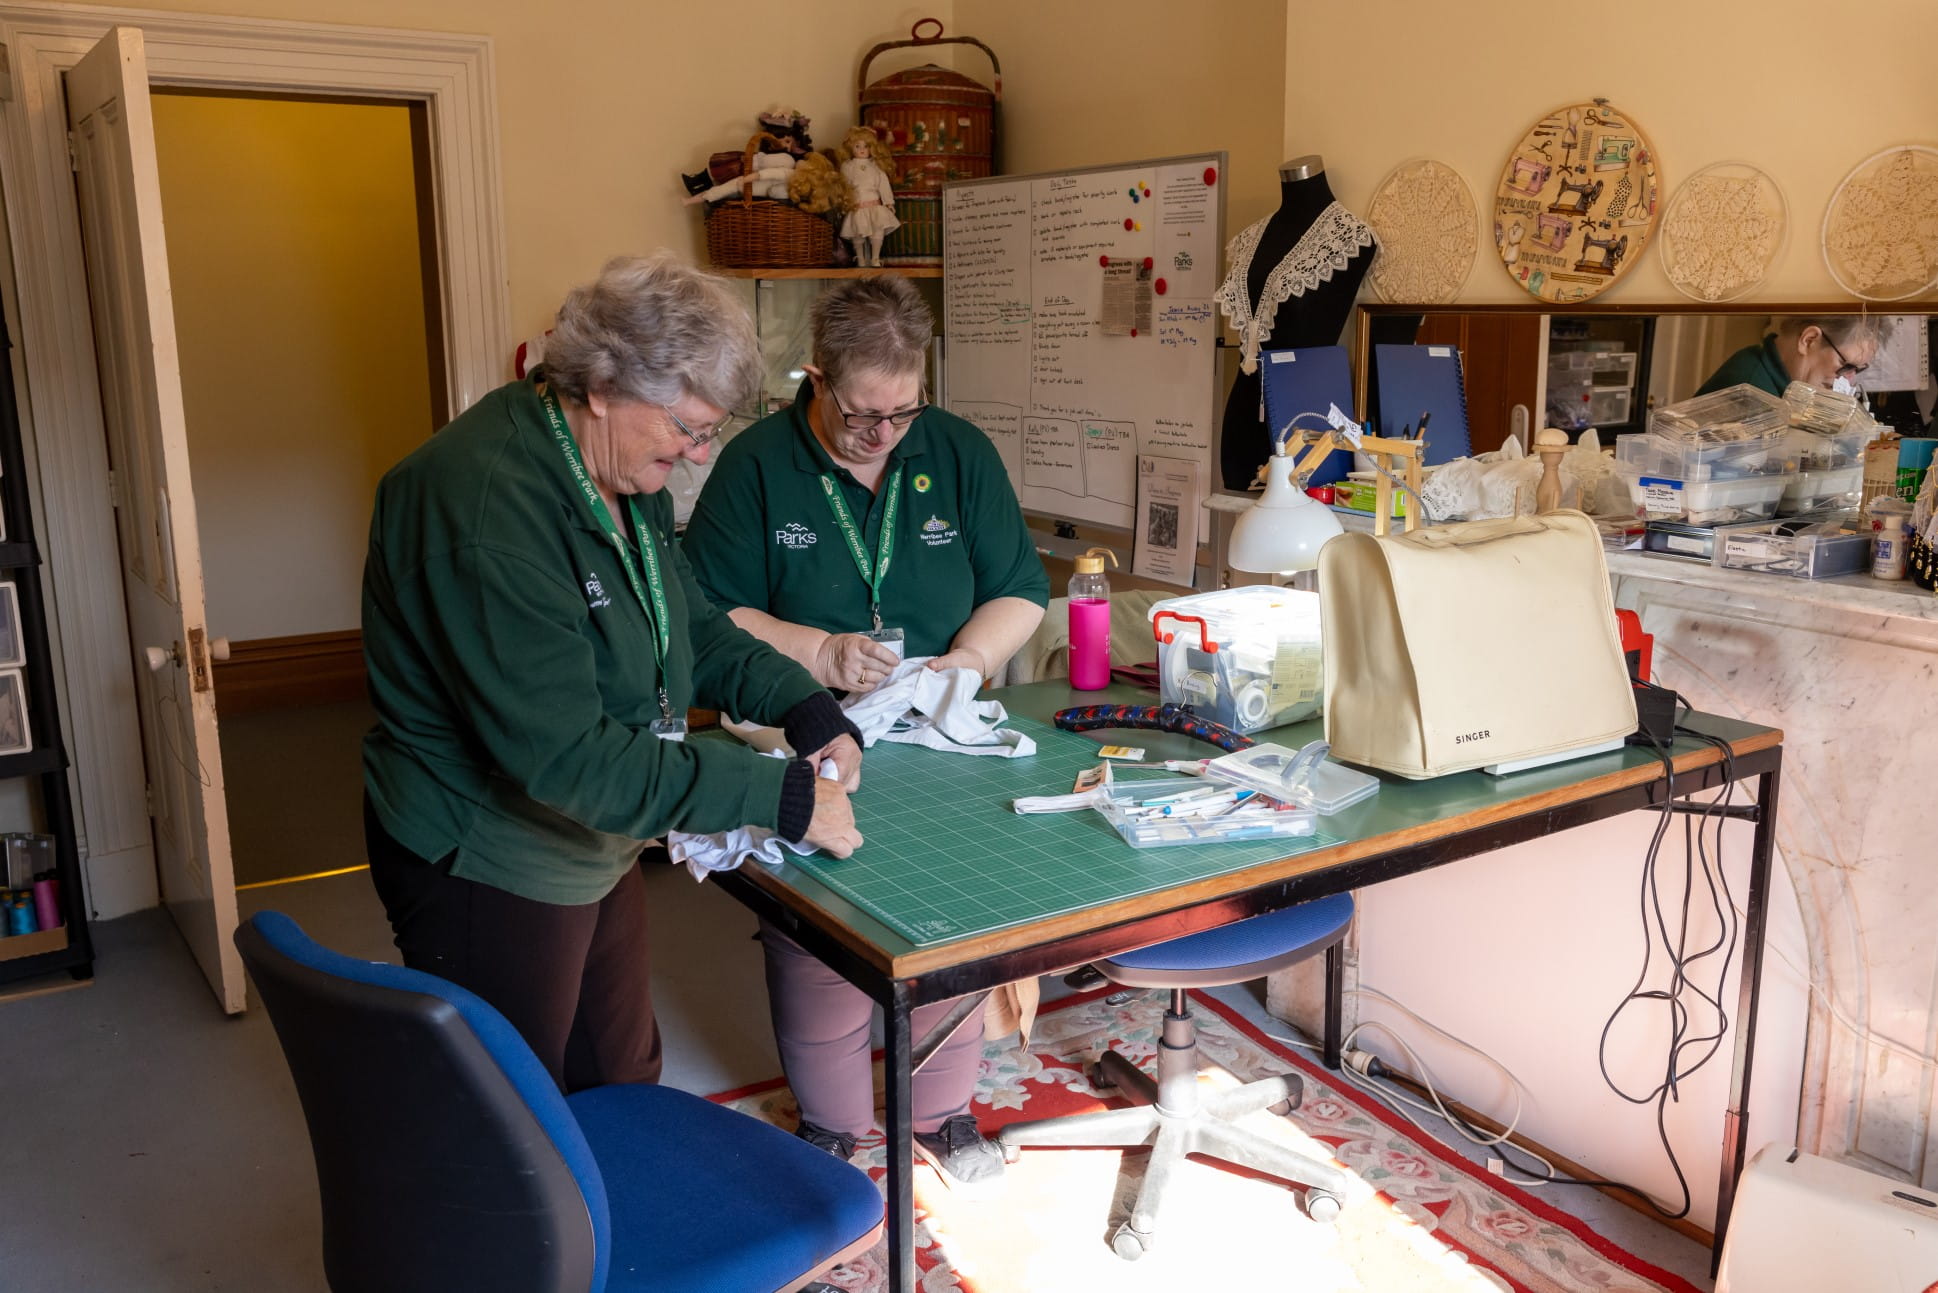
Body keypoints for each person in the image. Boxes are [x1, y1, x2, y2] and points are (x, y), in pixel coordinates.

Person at [361, 253, 864, 1095]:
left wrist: (804, 704)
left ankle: (614, 1184)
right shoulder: (483, 507)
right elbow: (567, 756)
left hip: (596, 829)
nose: (698, 454)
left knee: (622, 1078)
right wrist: (774, 793)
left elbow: (689, 625)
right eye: (687, 428)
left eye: (711, 431)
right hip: (489, 850)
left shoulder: (622, 471)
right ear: (600, 385)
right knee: (515, 1109)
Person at [683, 274, 1048, 1191]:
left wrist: (966, 661)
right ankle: (834, 1126)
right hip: (802, 730)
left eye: (903, 411)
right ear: (816, 378)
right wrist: (817, 651)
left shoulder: (956, 451)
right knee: (822, 926)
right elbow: (707, 613)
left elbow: (1020, 588)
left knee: (955, 914)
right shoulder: (755, 465)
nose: (884, 433)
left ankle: (941, 1108)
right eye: (862, 414)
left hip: (935, 730)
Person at [1696, 316, 1890, 397]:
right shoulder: (1749, 391)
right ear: (1808, 340)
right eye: (1845, 365)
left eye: (1857, 370)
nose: (1849, 380)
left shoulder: (1790, 386)